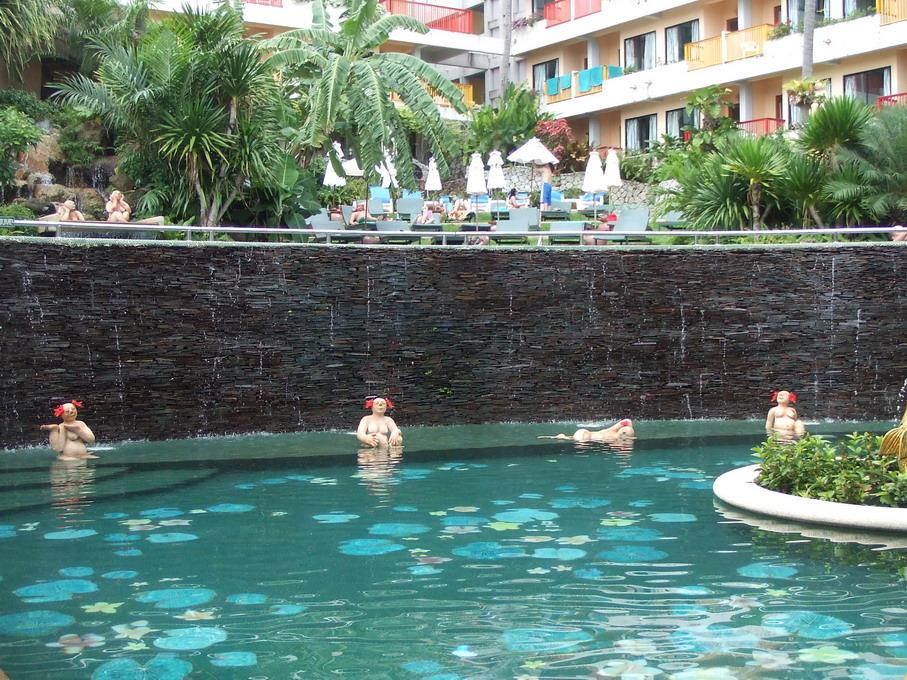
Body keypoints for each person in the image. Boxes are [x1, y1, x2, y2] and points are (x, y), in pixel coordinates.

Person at [539, 419, 635, 442]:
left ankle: (560, 436)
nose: (624, 431)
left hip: (584, 434)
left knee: (571, 438)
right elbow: (627, 421)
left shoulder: (611, 432)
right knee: (573, 439)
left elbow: (627, 422)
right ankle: (561, 437)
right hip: (585, 436)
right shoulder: (613, 436)